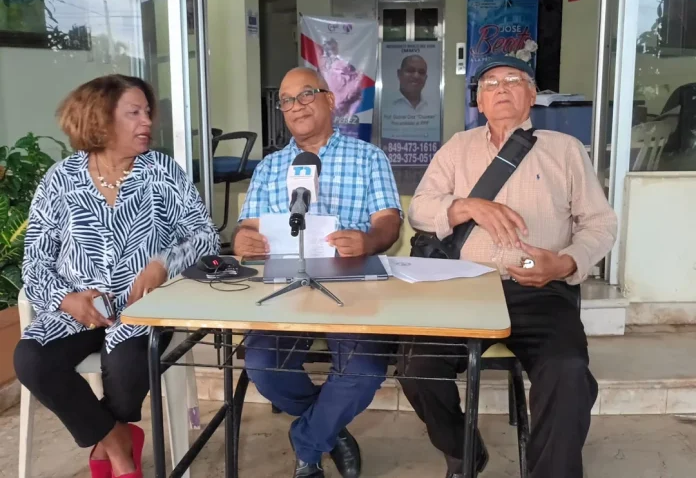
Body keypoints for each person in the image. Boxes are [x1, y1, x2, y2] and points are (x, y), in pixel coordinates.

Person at [397, 56, 618, 478]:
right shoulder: (458, 147)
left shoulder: (565, 150)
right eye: (490, 83)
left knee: (568, 373)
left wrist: (565, 262)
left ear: (531, 95)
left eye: (513, 80)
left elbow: (601, 224)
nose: (501, 88)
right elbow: (420, 209)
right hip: (464, 287)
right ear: (480, 101)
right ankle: (464, 449)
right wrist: (466, 206)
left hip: (539, 286)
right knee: (416, 367)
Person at [14, 75, 219, 478]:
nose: (147, 122)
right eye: (134, 113)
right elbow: (35, 261)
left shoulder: (161, 171)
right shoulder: (60, 180)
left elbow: (205, 235)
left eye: (147, 112)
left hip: (141, 311)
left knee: (127, 367)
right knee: (32, 360)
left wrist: (163, 263)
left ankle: (112, 445)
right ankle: (119, 443)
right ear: (100, 119)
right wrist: (66, 299)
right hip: (75, 311)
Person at [233, 67, 402, 478]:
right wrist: (243, 241)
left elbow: (389, 223)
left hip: (354, 283)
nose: (296, 106)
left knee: (363, 372)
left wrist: (368, 241)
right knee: (262, 365)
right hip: (284, 285)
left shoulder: (368, 157)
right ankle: (329, 428)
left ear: (329, 99)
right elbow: (247, 229)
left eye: (306, 94)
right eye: (286, 100)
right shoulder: (270, 166)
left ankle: (308, 441)